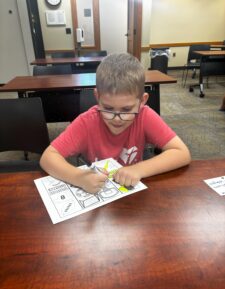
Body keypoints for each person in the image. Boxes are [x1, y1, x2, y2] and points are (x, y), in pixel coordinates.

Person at [40, 53, 191, 194]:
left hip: (131, 193)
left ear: (142, 101)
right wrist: (79, 177)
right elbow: (48, 157)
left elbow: (182, 153)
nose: (117, 119)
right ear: (97, 98)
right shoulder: (87, 122)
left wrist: (139, 169)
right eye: (108, 108)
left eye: (126, 109)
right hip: (98, 192)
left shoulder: (145, 116)